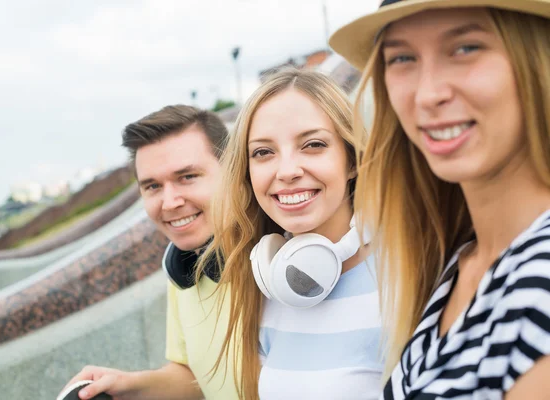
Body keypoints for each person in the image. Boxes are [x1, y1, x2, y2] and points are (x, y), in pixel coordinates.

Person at [329, 0, 550, 398]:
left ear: (534, 57)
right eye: (402, 58)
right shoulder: (454, 262)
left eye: (465, 48)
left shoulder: (540, 283)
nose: (428, 94)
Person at [198, 68, 383, 400]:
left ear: (351, 159)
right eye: (264, 152)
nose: (286, 172)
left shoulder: (406, 274)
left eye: (312, 145)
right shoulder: (269, 286)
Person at [62, 105, 238, 399]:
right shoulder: (183, 267)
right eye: (153, 186)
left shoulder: (286, 261)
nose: (169, 202)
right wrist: (127, 385)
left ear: (232, 170)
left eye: (187, 176)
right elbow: (194, 376)